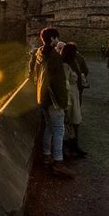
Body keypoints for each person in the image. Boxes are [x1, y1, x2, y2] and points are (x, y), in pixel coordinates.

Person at [34, 27, 74, 177]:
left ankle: (46, 155)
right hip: (53, 99)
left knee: (49, 128)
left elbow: (36, 77)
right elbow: (58, 83)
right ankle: (58, 162)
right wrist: (63, 103)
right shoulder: (54, 57)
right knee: (58, 129)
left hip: (42, 98)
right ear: (52, 39)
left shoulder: (39, 53)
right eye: (56, 38)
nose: (58, 40)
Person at [61, 43, 87, 157]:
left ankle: (74, 145)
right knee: (68, 122)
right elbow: (65, 83)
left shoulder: (73, 63)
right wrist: (67, 103)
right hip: (69, 96)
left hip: (75, 94)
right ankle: (67, 148)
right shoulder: (65, 65)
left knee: (76, 121)